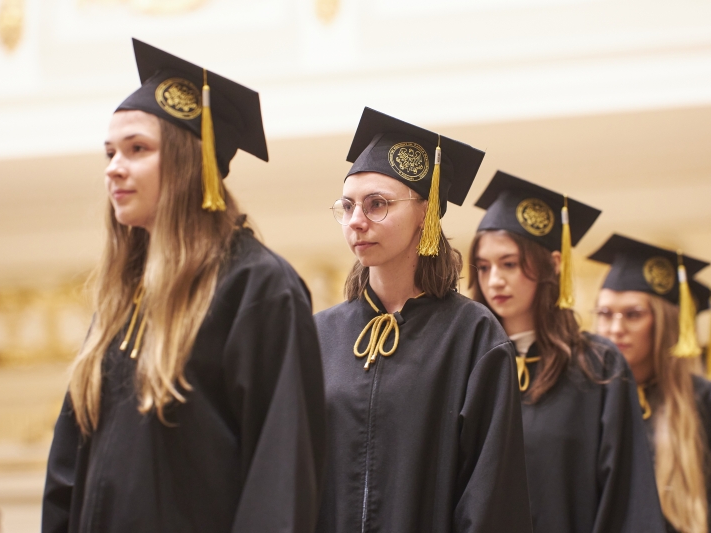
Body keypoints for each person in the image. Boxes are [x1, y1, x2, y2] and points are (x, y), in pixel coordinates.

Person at [42, 39, 326, 533]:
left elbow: (279, 477)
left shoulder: (256, 286)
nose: (113, 167)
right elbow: (67, 472)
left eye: (137, 149)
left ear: (188, 163)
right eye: (110, 152)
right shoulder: (121, 299)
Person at [314, 108, 532, 533]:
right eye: (348, 206)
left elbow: (490, 496)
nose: (357, 221)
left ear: (425, 213)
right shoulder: (320, 335)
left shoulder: (472, 335)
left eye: (377, 204)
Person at [469, 172, 666, 533]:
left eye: (509, 263)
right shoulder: (467, 363)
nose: (494, 279)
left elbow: (625, 495)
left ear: (554, 264)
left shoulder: (597, 366)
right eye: (483, 267)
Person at [591, 234, 711, 533]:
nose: (615, 328)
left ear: (667, 324)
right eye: (604, 314)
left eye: (633, 314)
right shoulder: (585, 401)